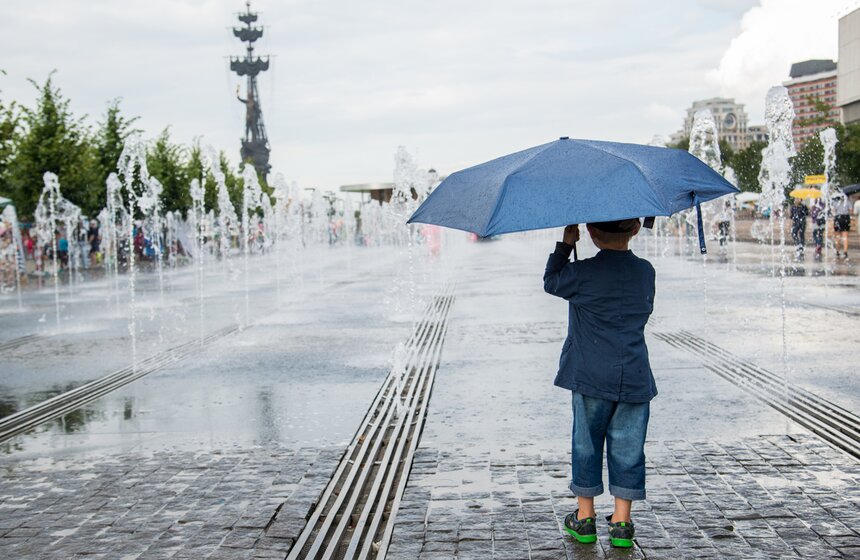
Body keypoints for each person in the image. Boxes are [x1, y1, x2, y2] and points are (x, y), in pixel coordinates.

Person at [544, 218, 655, 549]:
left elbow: (551, 281)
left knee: (586, 444)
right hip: (634, 377)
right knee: (629, 448)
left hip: (591, 377)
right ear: (635, 229)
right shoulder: (646, 271)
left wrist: (565, 244)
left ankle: (586, 517)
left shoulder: (582, 274)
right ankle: (622, 523)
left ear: (590, 233)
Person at [833, 194, 851, 259]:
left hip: (838, 218)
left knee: (837, 236)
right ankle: (845, 251)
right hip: (846, 218)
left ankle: (837, 251)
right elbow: (850, 211)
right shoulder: (848, 202)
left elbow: (833, 210)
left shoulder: (836, 202)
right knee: (845, 236)